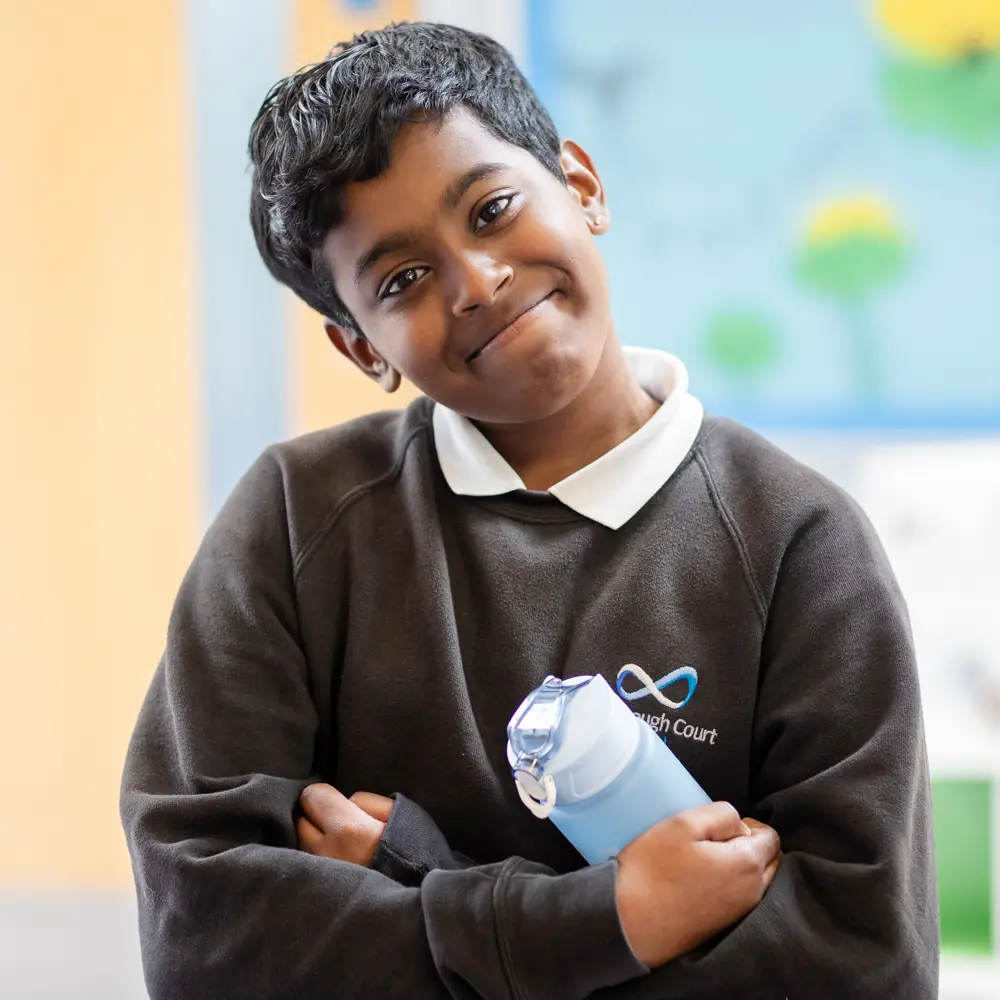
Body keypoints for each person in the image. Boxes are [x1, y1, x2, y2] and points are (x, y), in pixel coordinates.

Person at [120, 21, 938, 999]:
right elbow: (205, 945)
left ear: (582, 186)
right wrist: (615, 916)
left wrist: (415, 877)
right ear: (360, 349)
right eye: (403, 278)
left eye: (493, 208)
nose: (476, 281)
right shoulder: (296, 522)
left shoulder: (797, 542)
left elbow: (857, 965)